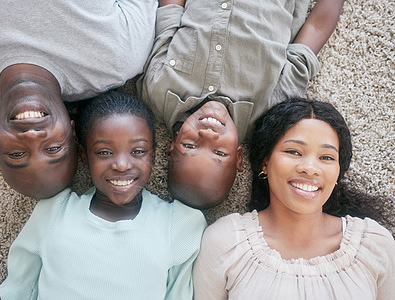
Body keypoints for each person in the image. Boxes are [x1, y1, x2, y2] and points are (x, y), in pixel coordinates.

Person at [0, 90, 207, 299]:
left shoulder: (177, 224)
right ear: (84, 157)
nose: (122, 165)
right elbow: (20, 286)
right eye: (104, 152)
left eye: (138, 151)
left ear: (153, 155)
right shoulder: (55, 211)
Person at [137, 0, 345, 209]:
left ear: (172, 143)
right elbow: (313, 34)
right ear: (238, 156)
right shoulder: (270, 114)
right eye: (219, 152)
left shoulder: (158, 91)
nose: (208, 134)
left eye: (190, 145)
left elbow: (169, 14)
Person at [0, 0, 158, 198]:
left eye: (17, 154)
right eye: (53, 149)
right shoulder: (119, 60)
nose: (31, 136)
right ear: (72, 133)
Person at [192, 98, 395, 299]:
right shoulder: (226, 243)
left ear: (338, 172)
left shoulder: (374, 246)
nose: (310, 168)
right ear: (265, 162)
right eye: (293, 151)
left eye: (326, 157)